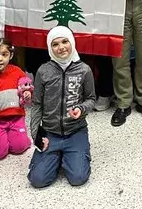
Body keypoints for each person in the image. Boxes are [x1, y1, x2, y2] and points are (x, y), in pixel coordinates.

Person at [28, 26, 95, 188]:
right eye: (55, 44)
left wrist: (81, 109)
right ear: (50, 48)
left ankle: (73, 153)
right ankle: (56, 156)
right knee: (37, 180)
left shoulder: (84, 70)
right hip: (50, 133)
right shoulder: (43, 71)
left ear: (72, 42)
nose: (61, 47)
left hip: (75, 131)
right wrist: (36, 134)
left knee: (78, 178)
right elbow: (36, 104)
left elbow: (91, 99)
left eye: (65, 41)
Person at [0, 38, 32, 161]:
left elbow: (26, 86)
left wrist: (27, 93)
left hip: (16, 117)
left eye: (4, 55)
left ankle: (18, 135)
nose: (0, 59)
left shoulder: (17, 71)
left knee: (20, 147)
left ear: (11, 55)